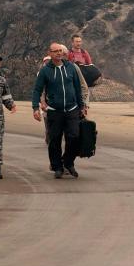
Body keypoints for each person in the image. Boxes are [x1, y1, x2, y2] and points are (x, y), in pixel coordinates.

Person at [32, 42, 85, 179]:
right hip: (55, 111)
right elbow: (37, 90)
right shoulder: (45, 70)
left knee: (74, 137)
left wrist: (82, 106)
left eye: (60, 51)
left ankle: (68, 162)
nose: (59, 53)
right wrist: (35, 108)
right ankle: (57, 167)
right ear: (49, 53)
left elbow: (78, 88)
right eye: (55, 51)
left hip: (72, 109)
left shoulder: (71, 67)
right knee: (54, 140)